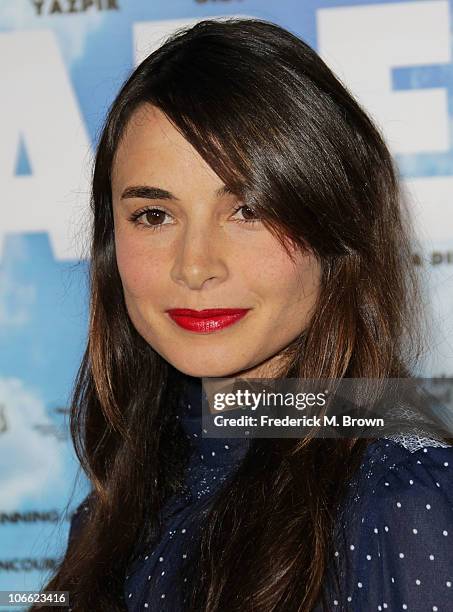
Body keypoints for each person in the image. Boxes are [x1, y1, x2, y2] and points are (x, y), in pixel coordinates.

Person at [33, 17, 453, 612]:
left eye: (247, 209)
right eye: (154, 215)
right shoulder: (112, 510)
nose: (195, 266)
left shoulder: (407, 499)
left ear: (337, 227)